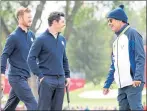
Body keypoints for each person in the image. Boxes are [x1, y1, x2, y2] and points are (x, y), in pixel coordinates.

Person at [103, 5, 145, 110]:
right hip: (121, 86)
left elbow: (140, 57)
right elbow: (114, 66)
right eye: (108, 21)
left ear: (119, 20)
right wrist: (107, 84)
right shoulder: (115, 41)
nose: (109, 24)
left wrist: (138, 77)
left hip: (133, 83)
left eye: (111, 20)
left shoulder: (132, 34)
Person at [27, 11, 71, 110]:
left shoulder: (62, 40)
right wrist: (40, 76)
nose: (64, 24)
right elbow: (31, 59)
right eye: (62, 22)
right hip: (46, 80)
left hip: (60, 81)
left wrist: (67, 76)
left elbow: (64, 59)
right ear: (55, 22)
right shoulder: (40, 39)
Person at [1, 7, 37, 110]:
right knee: (33, 104)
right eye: (28, 17)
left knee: (10, 107)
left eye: (31, 17)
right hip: (16, 77)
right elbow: (4, 56)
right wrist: (2, 77)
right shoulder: (13, 37)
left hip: (24, 78)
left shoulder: (31, 35)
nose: (30, 19)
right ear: (20, 18)